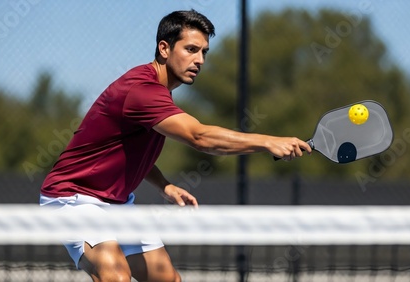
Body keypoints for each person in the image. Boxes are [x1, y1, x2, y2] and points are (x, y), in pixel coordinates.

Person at [40, 9, 311, 282]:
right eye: (191, 49)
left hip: (117, 203)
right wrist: (268, 142)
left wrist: (164, 185)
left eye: (204, 52)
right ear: (164, 48)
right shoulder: (142, 91)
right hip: (74, 198)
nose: (199, 60)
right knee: (115, 278)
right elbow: (200, 138)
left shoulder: (158, 96)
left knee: (168, 280)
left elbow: (126, 152)